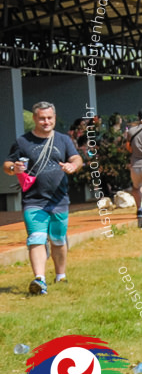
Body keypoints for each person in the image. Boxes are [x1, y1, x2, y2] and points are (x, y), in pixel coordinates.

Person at [5, 102, 83, 295]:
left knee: (58, 240)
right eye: (41, 118)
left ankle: (60, 275)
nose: (46, 122)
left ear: (54, 118)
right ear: (34, 119)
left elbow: (77, 158)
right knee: (36, 238)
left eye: (49, 118)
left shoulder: (63, 140)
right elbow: (7, 164)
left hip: (59, 200)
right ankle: (39, 280)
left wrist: (73, 166)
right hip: (33, 200)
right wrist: (13, 168)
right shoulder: (23, 142)